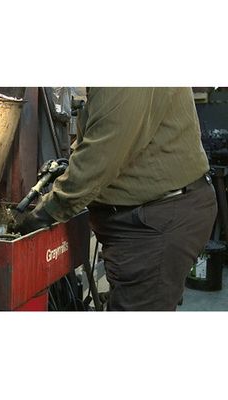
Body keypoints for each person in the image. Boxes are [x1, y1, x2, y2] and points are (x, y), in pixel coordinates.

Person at [19, 87, 218, 311]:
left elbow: (102, 152)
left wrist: (44, 213)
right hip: (148, 217)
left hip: (154, 223)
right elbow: (104, 126)